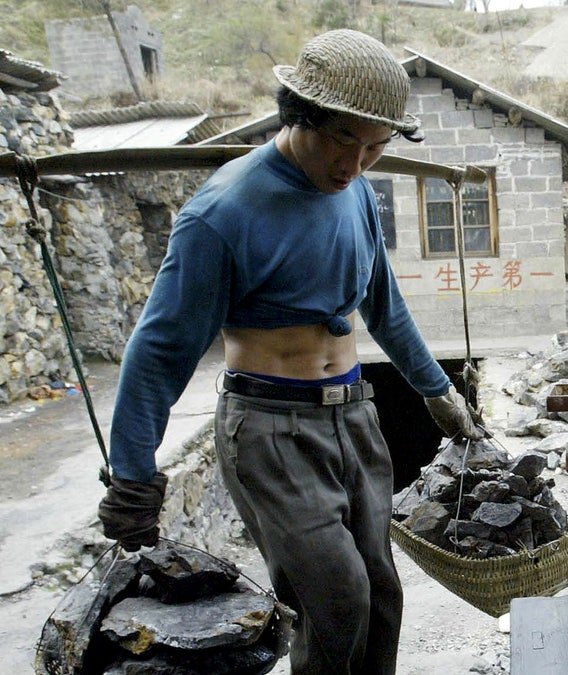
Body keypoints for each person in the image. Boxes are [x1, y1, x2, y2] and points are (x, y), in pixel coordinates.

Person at [97, 29, 482, 674]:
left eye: (375, 148)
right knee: (336, 598)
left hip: (354, 414)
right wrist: (134, 477)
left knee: (382, 597)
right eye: (341, 140)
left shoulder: (354, 190)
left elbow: (383, 303)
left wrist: (438, 392)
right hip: (271, 431)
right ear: (297, 114)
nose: (356, 165)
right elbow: (160, 351)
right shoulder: (222, 213)